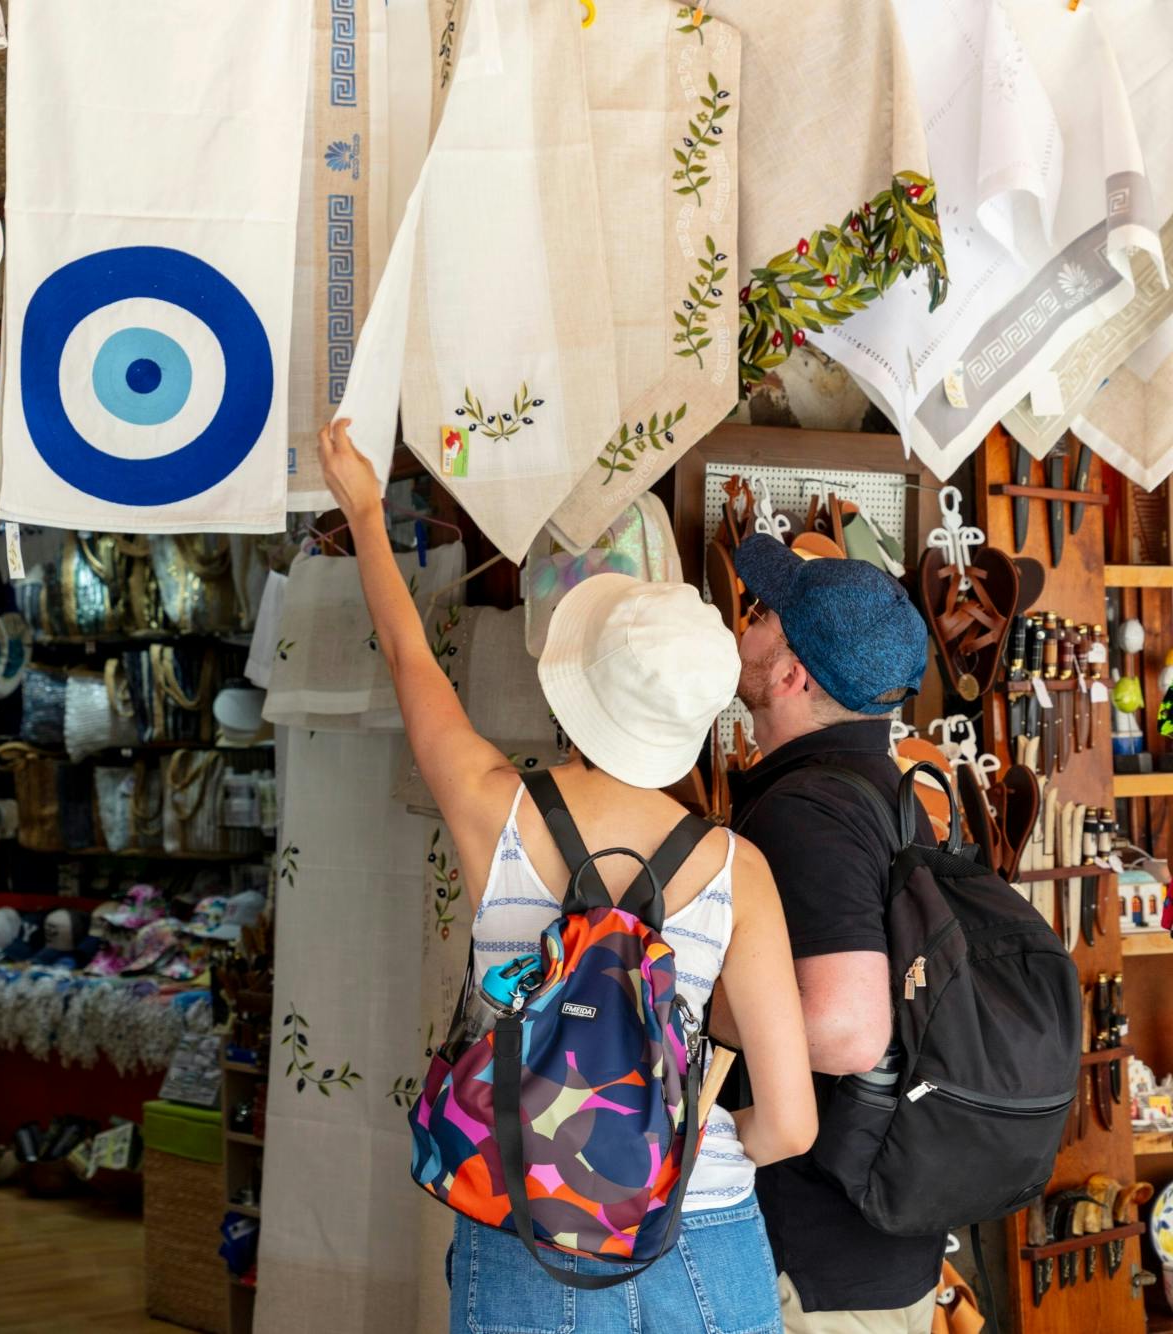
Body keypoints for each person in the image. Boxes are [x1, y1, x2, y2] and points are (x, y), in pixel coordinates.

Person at [319, 420, 817, 1334]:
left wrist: (361, 506)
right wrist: (665, 1156)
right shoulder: (739, 872)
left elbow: (409, 659)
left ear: (575, 682)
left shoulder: (494, 805)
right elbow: (790, 1126)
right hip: (698, 1237)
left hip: (525, 1226)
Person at [725, 530, 939, 1332]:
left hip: (820, 1270)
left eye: (761, 614)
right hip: (871, 1249)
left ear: (790, 672)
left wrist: (685, 1005)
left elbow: (845, 1031)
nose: (742, 625)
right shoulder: (893, 794)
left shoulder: (812, 810)